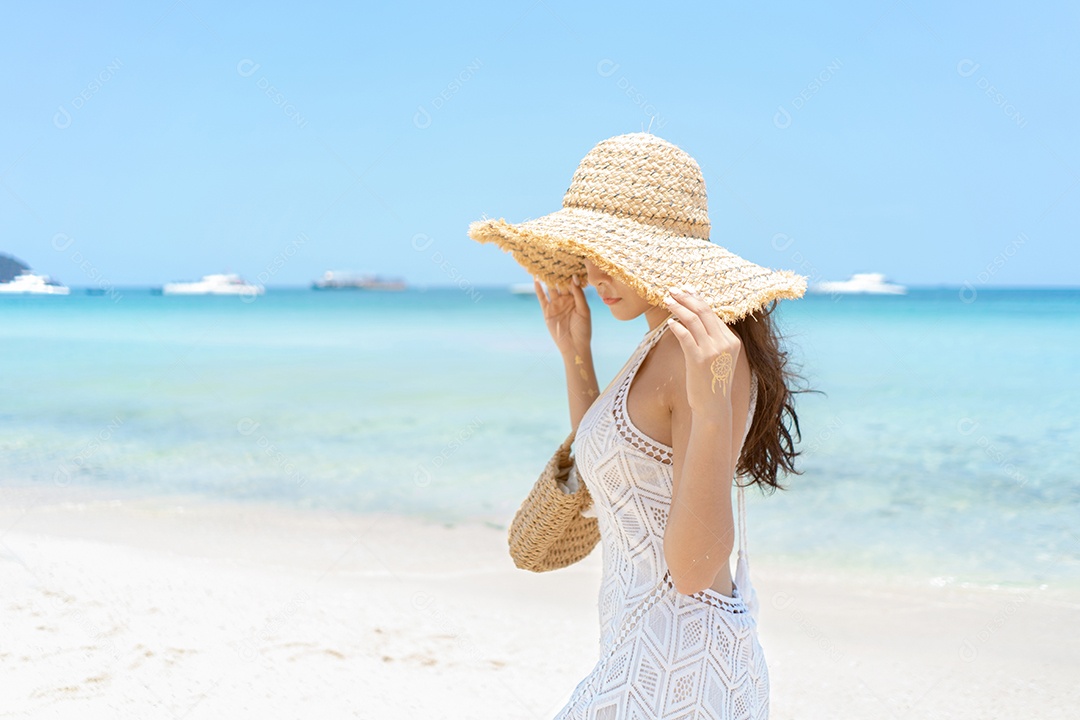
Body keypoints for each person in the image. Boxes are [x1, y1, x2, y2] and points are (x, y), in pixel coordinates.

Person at [469, 132, 808, 719]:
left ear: (662, 254)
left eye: (612, 252)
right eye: (588, 250)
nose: (595, 273)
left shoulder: (695, 354)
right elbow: (613, 465)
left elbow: (694, 570)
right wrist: (576, 354)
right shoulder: (659, 344)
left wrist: (713, 411)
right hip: (643, 650)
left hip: (683, 666)